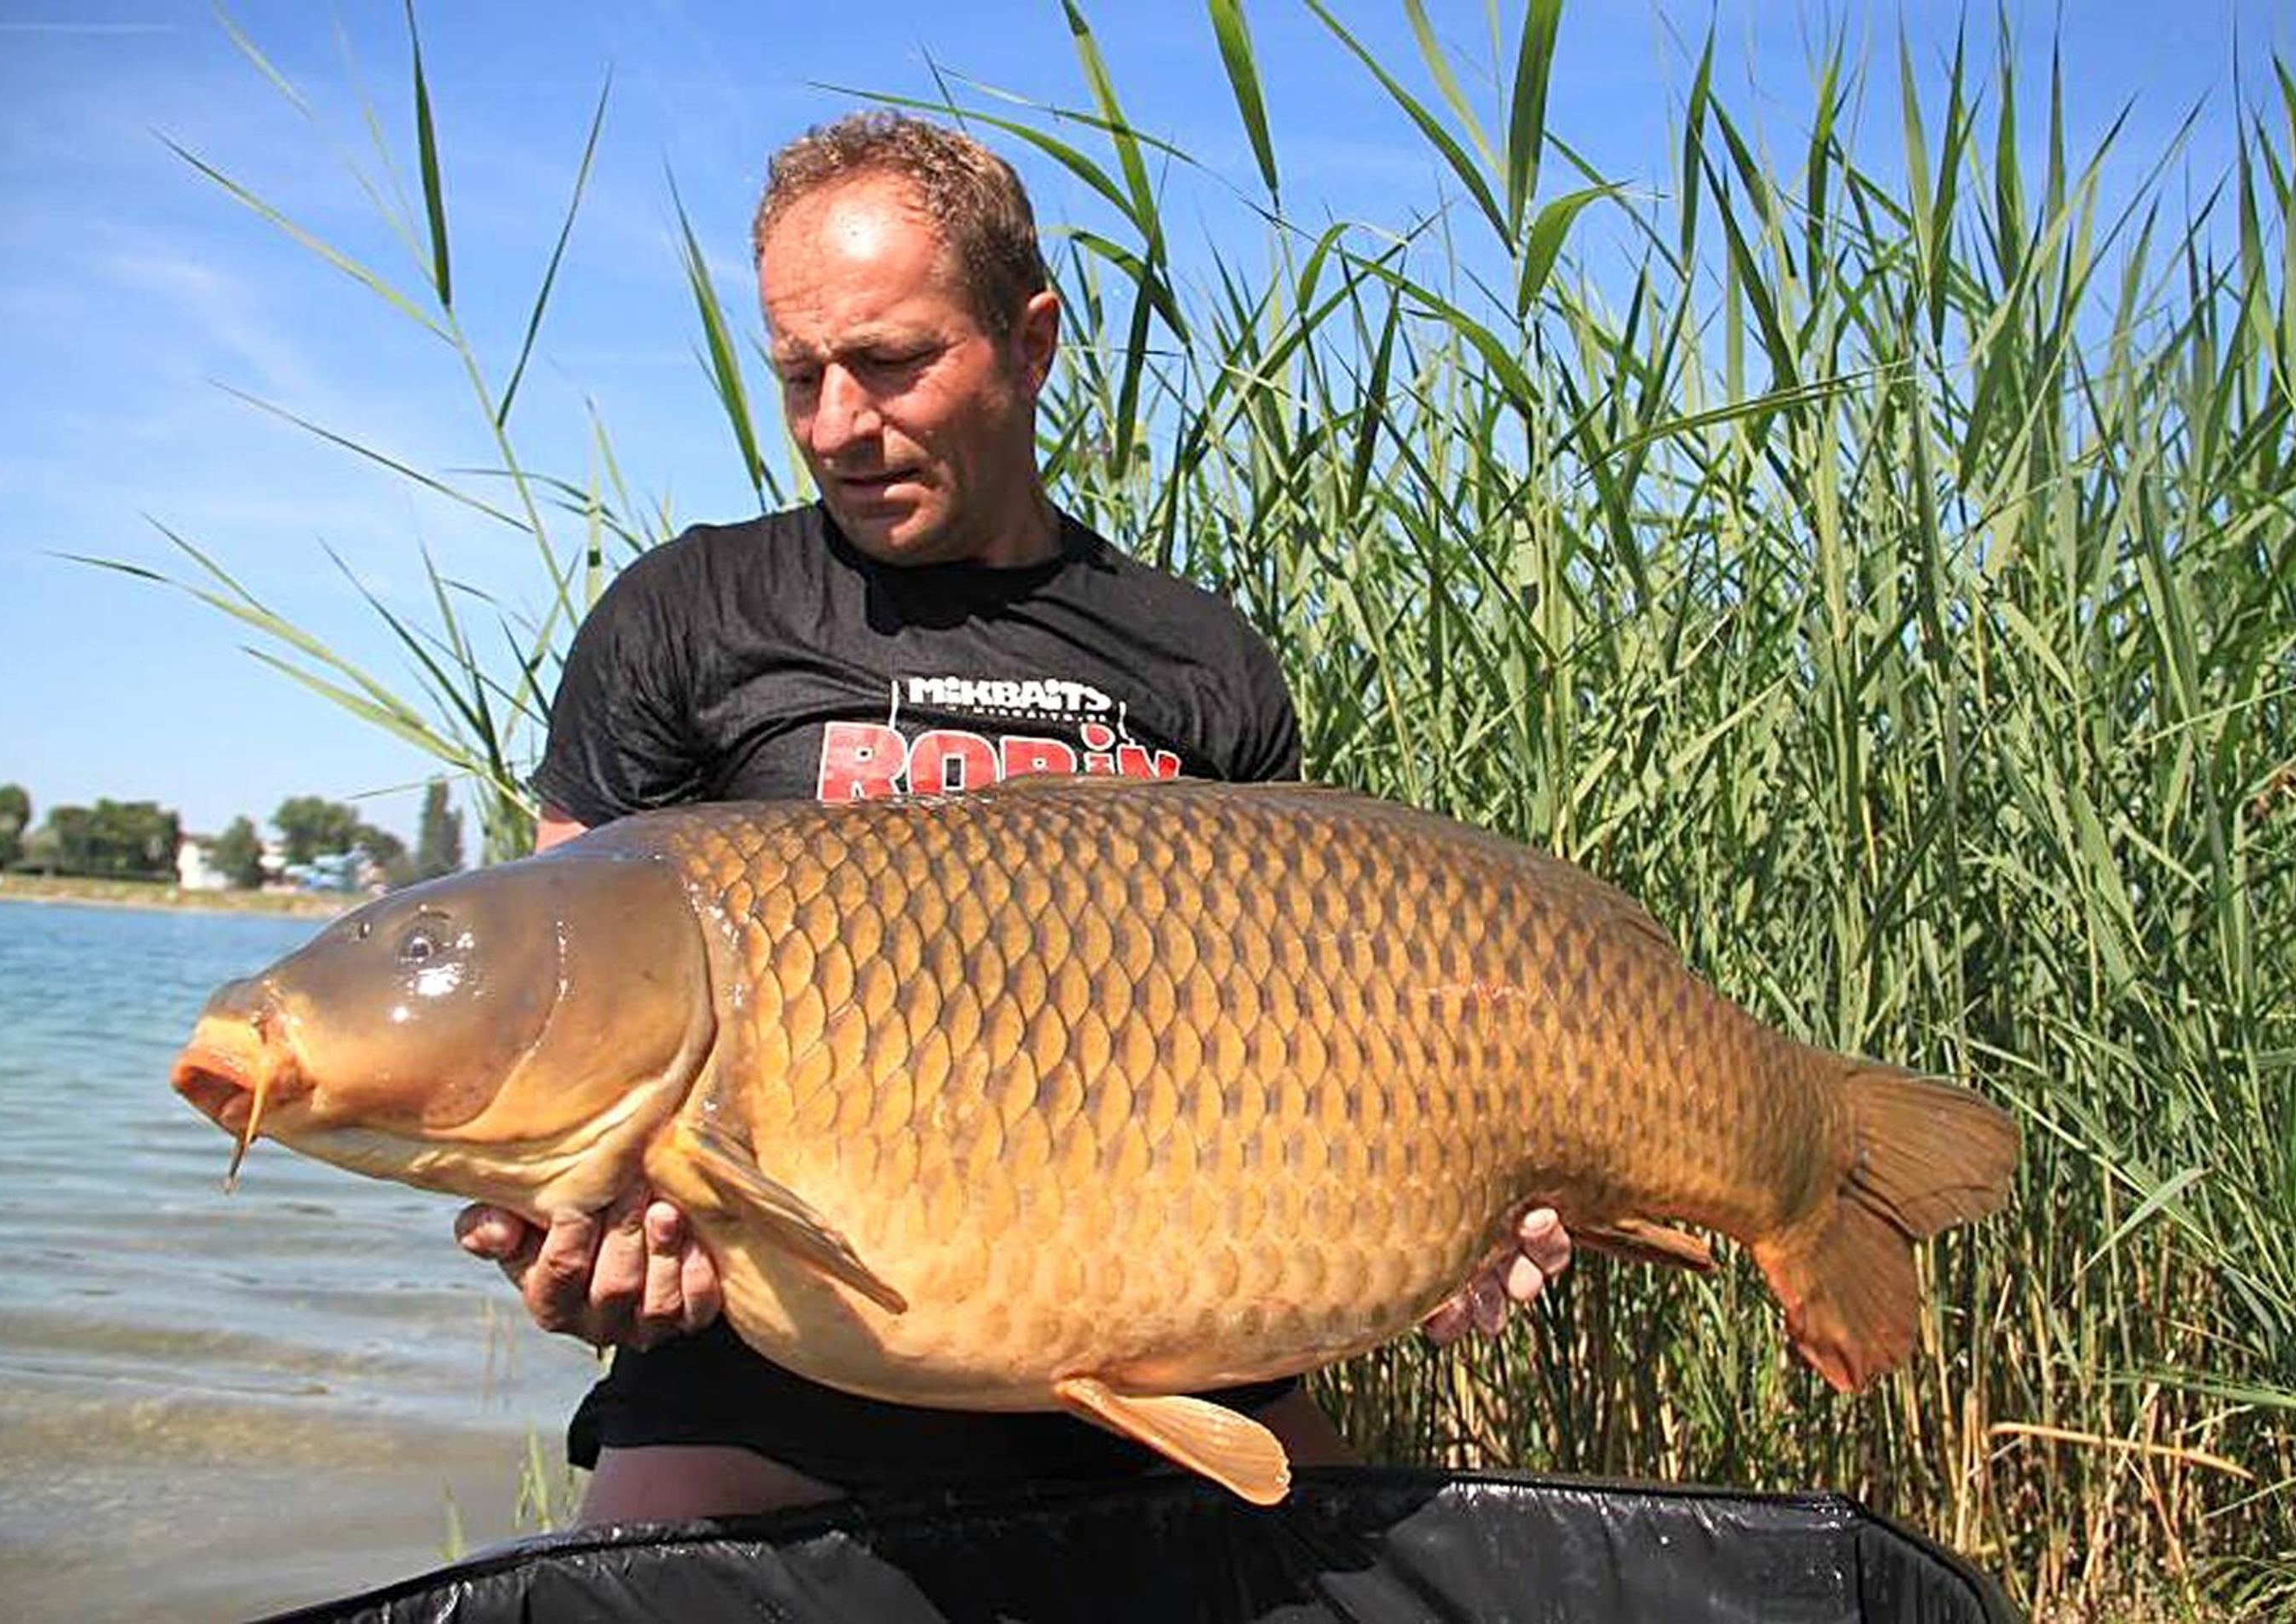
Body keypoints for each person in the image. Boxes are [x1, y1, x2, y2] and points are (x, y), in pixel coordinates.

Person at [455, 112, 1574, 1522]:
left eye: (894, 363)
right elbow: (556, 1000)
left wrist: (1448, 1222)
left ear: (1032, 343)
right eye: (801, 375)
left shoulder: (1199, 657)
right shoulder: (689, 619)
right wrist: (576, 1247)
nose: (839, 427)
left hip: (1173, 1387)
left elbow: (1320, 1034)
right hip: (766, 1397)